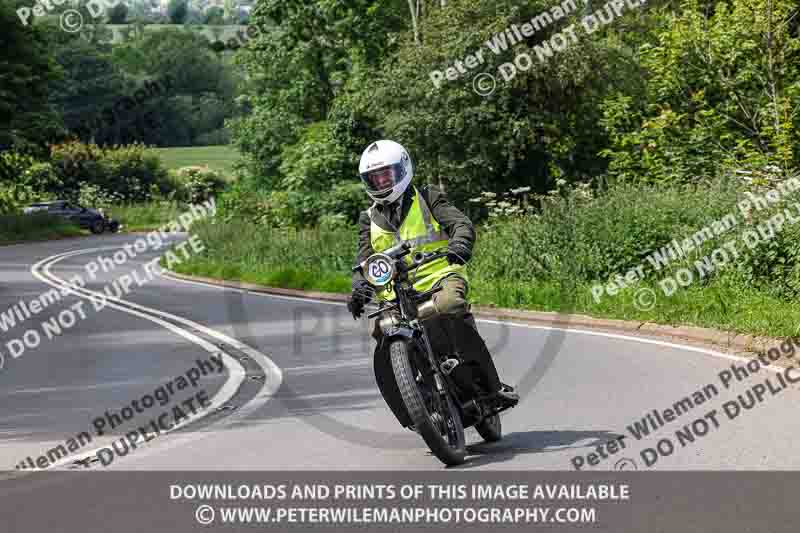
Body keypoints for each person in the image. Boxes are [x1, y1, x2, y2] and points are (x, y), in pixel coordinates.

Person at [347, 140, 519, 428]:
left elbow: (461, 224)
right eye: (374, 178)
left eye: (386, 175)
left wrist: (460, 244)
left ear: (402, 170)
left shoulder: (427, 196)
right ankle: (414, 400)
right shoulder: (368, 219)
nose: (380, 182)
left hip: (440, 276)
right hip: (396, 294)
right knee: (379, 328)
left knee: (449, 305)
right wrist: (360, 288)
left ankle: (487, 381)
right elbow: (364, 260)